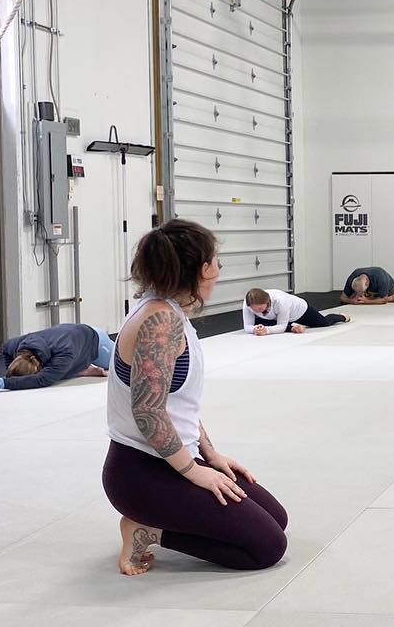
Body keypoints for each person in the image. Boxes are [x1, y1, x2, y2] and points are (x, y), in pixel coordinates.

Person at [102, 218, 288, 575]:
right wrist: (194, 473)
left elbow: (177, 404)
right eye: (217, 262)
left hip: (169, 458)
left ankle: (163, 515)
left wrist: (210, 454)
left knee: (276, 519)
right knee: (266, 547)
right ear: (202, 269)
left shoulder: (170, 313)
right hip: (141, 472)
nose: (219, 270)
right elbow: (148, 413)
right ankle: (147, 529)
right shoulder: (160, 323)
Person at [0, 322, 113, 392]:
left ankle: (84, 367)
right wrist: (11, 376)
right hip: (70, 338)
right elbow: (7, 352)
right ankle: (83, 368)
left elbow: (41, 380)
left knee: (126, 363)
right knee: (57, 373)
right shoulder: (14, 345)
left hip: (96, 342)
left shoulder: (64, 354)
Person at [243, 286, 348, 334]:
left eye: (261, 309)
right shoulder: (247, 304)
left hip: (300, 311)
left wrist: (267, 330)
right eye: (254, 310)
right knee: (258, 322)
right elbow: (247, 326)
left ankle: (342, 317)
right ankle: (293, 327)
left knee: (324, 323)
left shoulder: (281, 301)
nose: (257, 312)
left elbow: (281, 326)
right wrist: (254, 329)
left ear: (267, 302)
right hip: (274, 317)